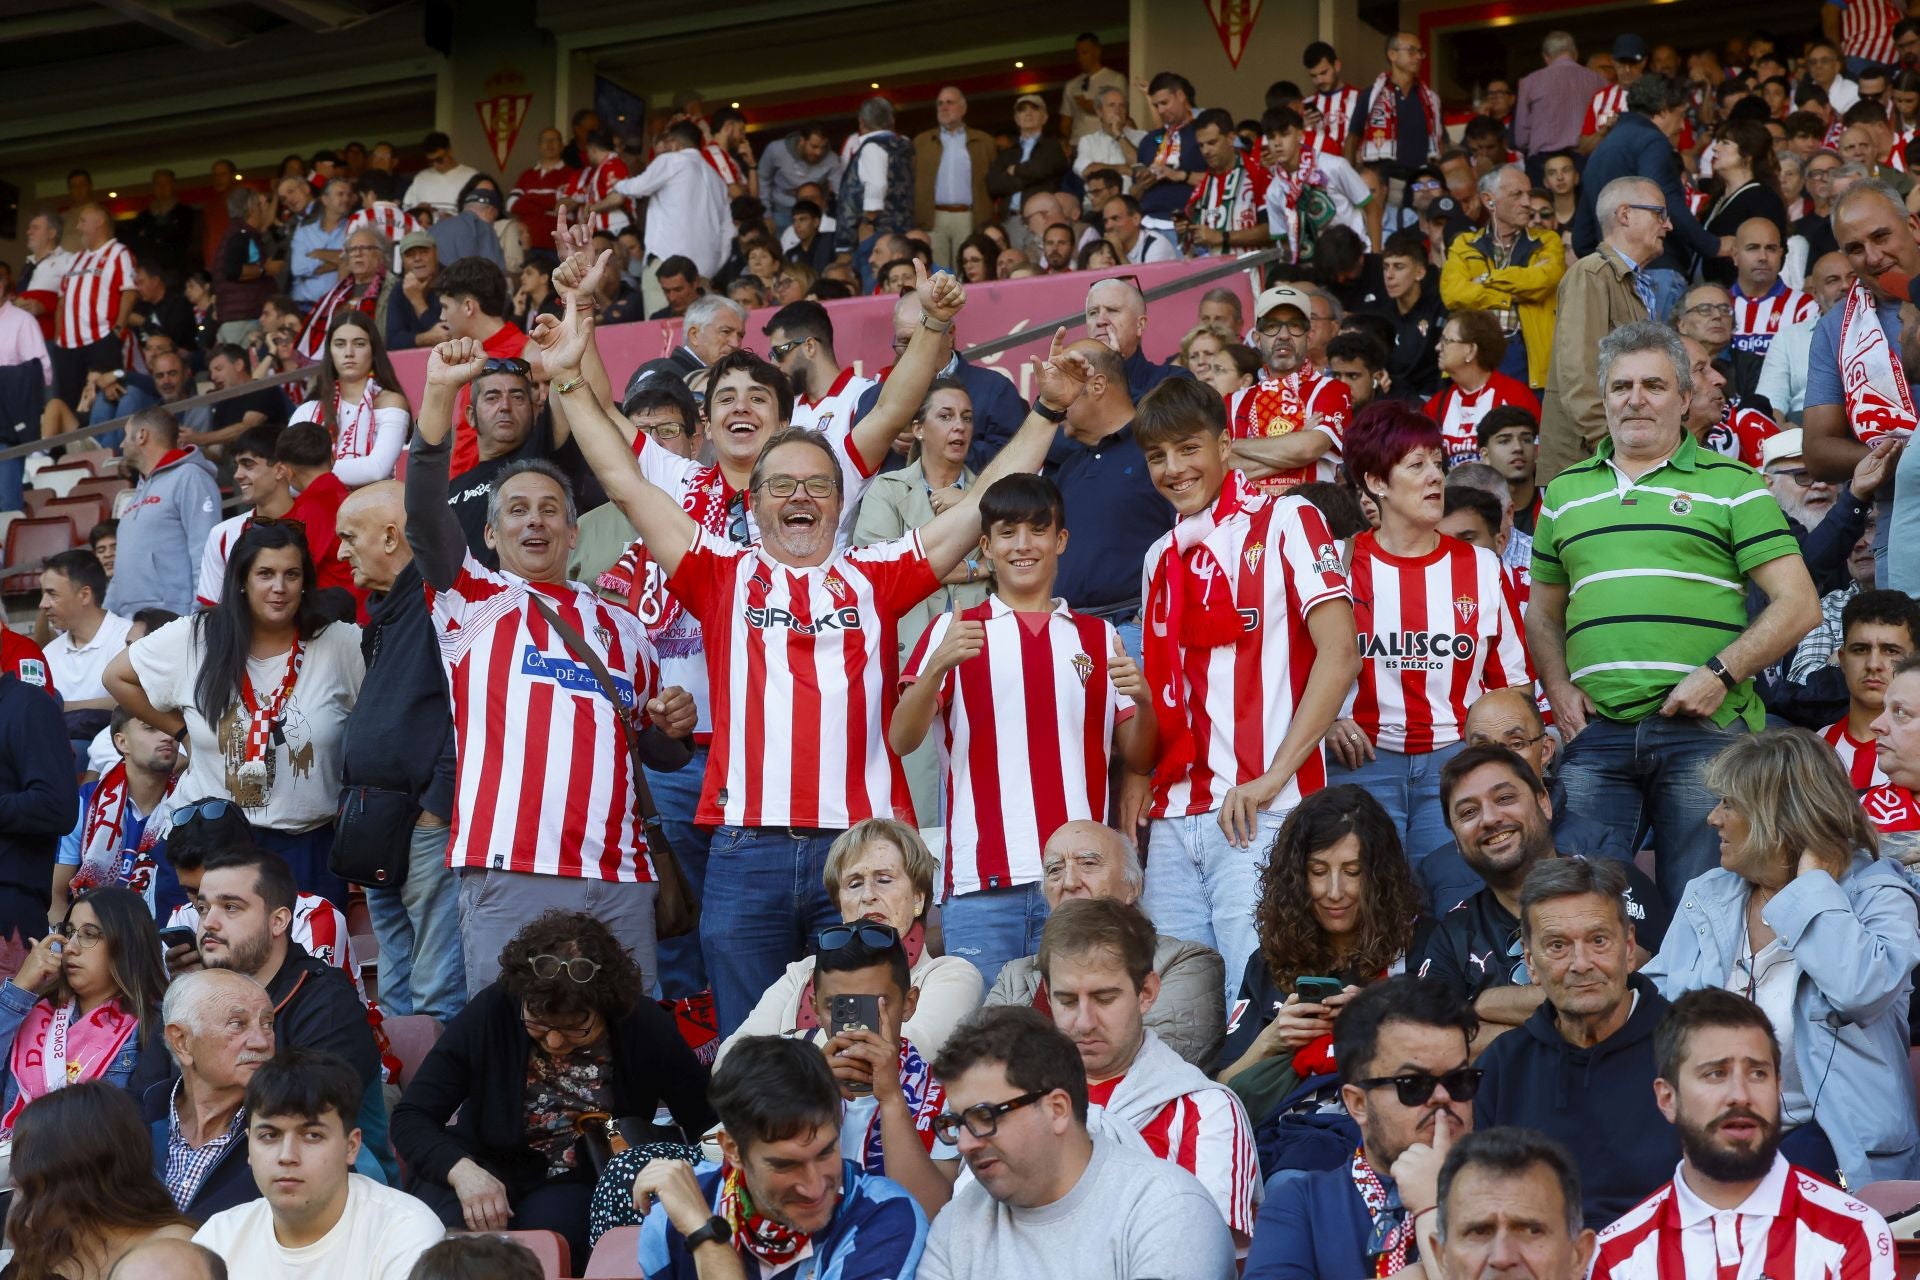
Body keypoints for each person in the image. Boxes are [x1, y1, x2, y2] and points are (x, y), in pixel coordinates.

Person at [546, 259, 1072, 1037]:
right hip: (747, 852)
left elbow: (987, 499)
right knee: (755, 1049)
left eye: (818, 485)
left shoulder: (877, 573)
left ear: (842, 501)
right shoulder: (720, 572)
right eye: (781, 486)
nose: (800, 496)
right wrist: (565, 382)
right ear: (752, 506)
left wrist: (1048, 411)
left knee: (862, 1043)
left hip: (857, 858)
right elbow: (625, 483)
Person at [1530, 322, 1819, 903]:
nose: (1635, 399)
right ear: (1603, 397)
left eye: (1654, 385)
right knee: (1581, 904)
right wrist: (1558, 688)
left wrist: (1719, 675)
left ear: (1685, 398)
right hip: (1598, 732)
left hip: (1703, 730)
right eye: (1620, 387)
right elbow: (1542, 614)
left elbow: (1800, 605)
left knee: (1704, 905)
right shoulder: (1563, 493)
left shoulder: (1735, 484)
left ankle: (1695, 1001)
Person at [1132, 376, 1360, 995]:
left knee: (1258, 1005)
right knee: (1178, 1015)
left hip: (1265, 809)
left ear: (1226, 445)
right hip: (1178, 817)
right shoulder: (1159, 556)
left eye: (1188, 448)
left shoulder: (1288, 517)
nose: (1174, 469)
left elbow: (1342, 653)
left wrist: (1273, 776)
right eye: (1157, 456)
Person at [889, 474, 1153, 982]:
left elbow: (1137, 755)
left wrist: (1142, 700)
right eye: (1007, 532)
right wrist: (938, 667)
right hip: (982, 885)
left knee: (1075, 1034)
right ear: (986, 546)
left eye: (1037, 530)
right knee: (985, 1046)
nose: (1023, 545)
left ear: (1061, 540)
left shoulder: (1101, 638)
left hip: (1081, 886)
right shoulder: (954, 626)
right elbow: (902, 738)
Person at [1642, 728, 1920, 1187]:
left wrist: (1812, 888)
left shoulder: (1877, 895)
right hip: (1712, 1124)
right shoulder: (1708, 894)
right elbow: (1657, 1009)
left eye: (1728, 803)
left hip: (1831, 1140)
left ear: (1777, 816)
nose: (1713, 819)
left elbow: (1859, 991)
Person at [392, 911, 713, 1266]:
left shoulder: (644, 1025)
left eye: (576, 1029)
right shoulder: (494, 1010)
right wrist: (461, 1170)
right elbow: (412, 1116)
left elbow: (705, 1122)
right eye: (539, 1026)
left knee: (547, 1243)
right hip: (483, 1158)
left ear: (606, 1009)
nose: (555, 1041)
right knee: (440, 1237)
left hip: (580, 1177)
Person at [105, 525, 363, 903]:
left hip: (306, 848)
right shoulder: (196, 636)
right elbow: (116, 676)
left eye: (292, 575)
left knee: (303, 962)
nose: (280, 587)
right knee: (198, 962)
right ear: (241, 580)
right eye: (265, 574)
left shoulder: (340, 643)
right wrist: (181, 733)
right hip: (207, 845)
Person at [1325, 403, 1530, 857]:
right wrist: (1329, 721)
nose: (1436, 476)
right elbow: (1296, 669)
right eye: (1417, 465)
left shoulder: (1481, 566)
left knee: (1450, 901)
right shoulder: (1334, 564)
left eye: (1438, 463)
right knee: (1371, 909)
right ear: (1377, 483)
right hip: (1361, 764)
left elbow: (1512, 684)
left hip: (1455, 764)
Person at [1589, 988, 1898, 1278]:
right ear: (1667, 1098)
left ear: (1778, 1088)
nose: (1740, 1094)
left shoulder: (1853, 1233)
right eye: (1715, 1074)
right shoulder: (1617, 1258)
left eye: (1757, 1073)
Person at [918, 1005, 1234, 1279]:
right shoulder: (957, 1223)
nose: (964, 1145)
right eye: (956, 1124)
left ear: (1057, 1110)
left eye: (984, 1117)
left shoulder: (1168, 1209)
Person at [1470, 856, 1679, 1227]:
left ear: (1629, 947)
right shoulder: (1503, 1065)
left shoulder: (1690, 1049)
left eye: (1598, 940)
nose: (1580, 963)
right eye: (1557, 946)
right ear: (1531, 964)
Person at [1418, 743, 1670, 1049]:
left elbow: (1603, 996)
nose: (1489, 818)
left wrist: (1479, 1003)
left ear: (1544, 803)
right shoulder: (1452, 933)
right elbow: (1435, 1041)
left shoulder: (1615, 884)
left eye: (1505, 798)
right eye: (1468, 812)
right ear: (1456, 842)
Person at [1037, 898, 1259, 1240]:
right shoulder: (1019, 1101)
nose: (1084, 1022)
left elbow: (1202, 1255)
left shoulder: (1204, 1111)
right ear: (1048, 997)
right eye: (1066, 1001)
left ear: (1147, 992)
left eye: (1105, 998)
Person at [632, 1035, 928, 1277]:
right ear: (732, 1149)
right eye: (786, 1165)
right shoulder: (674, 1217)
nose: (812, 1186)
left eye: (826, 1152)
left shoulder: (886, 1217)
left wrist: (706, 1236)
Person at [1243, 975, 1476, 1279]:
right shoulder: (1300, 1205)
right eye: (1414, 1084)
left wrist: (1434, 1210)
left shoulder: (1516, 1188)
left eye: (1459, 1080)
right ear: (1357, 1104)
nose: (1444, 1096)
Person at [333, 481, 463, 1022]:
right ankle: (403, 1093)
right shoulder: (389, 609)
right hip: (375, 820)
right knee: (395, 983)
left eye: (349, 537)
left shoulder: (441, 599)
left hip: (423, 821)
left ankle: (443, 1102)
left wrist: (438, 803)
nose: (340, 552)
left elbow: (466, 710)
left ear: (390, 536)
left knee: (433, 986)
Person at [1215, 786, 1421, 1119]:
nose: (1334, 892)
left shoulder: (1416, 944)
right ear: (1296, 877)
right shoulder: (1270, 960)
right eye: (1318, 872)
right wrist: (1271, 1040)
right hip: (1284, 1142)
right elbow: (1222, 1091)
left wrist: (1377, 1019)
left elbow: (1454, 1059)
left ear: (1379, 877)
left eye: (1352, 872)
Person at [185, 848, 391, 1170]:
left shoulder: (328, 1003)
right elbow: (155, 1097)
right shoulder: (195, 998)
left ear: (278, 921)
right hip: (216, 1169)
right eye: (202, 908)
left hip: (329, 1183)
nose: (208, 923)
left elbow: (306, 1118)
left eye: (230, 907)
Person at [714, 820, 983, 1064]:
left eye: (884, 880)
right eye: (854, 884)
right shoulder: (802, 972)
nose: (868, 895)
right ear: (840, 905)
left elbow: (907, 1056)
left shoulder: (952, 974)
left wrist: (786, 1043)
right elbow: (729, 1062)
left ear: (918, 898)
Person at [984, 820, 1224, 1068]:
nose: (1068, 882)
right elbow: (979, 1069)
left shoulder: (1184, 962)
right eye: (1054, 870)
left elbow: (1150, 1067)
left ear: (1132, 886)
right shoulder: (1016, 976)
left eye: (1088, 864)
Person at [194, 1050, 444, 1279]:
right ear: (249, 1146)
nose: (287, 1155)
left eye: (312, 1135)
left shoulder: (405, 1231)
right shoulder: (220, 1237)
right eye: (269, 1135)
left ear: (351, 1146)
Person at [1801, 181, 1919, 594]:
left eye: (1881, 236)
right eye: (1855, 248)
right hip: (1905, 525)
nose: (1872, 256)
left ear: (1914, 226)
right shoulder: (1837, 328)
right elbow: (1817, 451)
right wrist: (1909, 460)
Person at [0, 886, 171, 1132]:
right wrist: (20, 988)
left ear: (127, 943)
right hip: (14, 1160)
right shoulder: (34, 1009)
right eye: (68, 933)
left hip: (93, 1166)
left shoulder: (154, 1025)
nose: (70, 947)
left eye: (89, 934)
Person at [7, 1082, 198, 1280]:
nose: (15, 1180)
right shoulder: (53, 1235)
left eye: (29, 1164)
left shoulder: (171, 1257)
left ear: (80, 1172)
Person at [147, 969, 278, 1220]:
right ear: (182, 1041)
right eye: (237, 1024)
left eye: (268, 1024)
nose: (261, 1042)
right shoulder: (127, 1123)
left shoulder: (292, 1131)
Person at [1441, 166, 1565, 391]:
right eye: (1517, 194)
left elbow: (1542, 282)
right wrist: (1511, 295)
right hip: (1473, 351)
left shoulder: (1548, 240)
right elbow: (1453, 294)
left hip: (1526, 353)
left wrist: (1486, 278)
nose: (1528, 202)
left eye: (1528, 193)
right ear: (1489, 201)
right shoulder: (1464, 244)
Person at [55, 708, 184, 916]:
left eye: (172, 729)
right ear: (121, 742)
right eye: (150, 728)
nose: (167, 736)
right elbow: (56, 896)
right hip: (89, 935)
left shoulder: (188, 806)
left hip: (162, 941)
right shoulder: (85, 801)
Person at [1225, 284, 1352, 492]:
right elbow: (1221, 467)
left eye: (1294, 325)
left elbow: (1307, 448)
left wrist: (1236, 445)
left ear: (1307, 336)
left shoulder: (1332, 390)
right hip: (1248, 520)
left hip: (1312, 515)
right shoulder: (1233, 402)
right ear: (1257, 339)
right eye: (1272, 326)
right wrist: (1297, 438)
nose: (1284, 335)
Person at [100, 409, 221, 617]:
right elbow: (121, 570)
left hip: (174, 619)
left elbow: (205, 552)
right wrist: (106, 619)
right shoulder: (137, 494)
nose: (120, 445)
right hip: (132, 625)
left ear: (141, 435)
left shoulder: (190, 477)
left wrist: (200, 616)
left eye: (125, 435)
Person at [613, 121, 731, 317]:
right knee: (701, 334)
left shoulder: (671, 160)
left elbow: (637, 187)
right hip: (704, 273)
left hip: (666, 264)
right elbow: (728, 232)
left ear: (674, 143)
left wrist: (617, 185)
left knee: (661, 334)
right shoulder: (717, 179)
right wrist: (712, 268)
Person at [291, 310, 410, 487]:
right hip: (317, 509)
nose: (349, 353)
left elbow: (377, 469)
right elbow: (288, 478)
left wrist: (309, 473)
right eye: (339, 344)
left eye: (359, 344)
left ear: (373, 350)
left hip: (372, 508)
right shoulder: (308, 410)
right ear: (330, 352)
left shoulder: (389, 402)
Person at [1820, 591, 1920, 792]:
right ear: (1842, 659)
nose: (1873, 664)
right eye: (1860, 649)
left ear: (1915, 660)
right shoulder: (1816, 748)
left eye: (1891, 651)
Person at [39, 548, 131, 746]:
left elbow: (132, 703)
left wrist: (61, 707)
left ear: (84, 595)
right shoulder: (49, 652)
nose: (43, 604)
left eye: (51, 594)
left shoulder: (126, 638)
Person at [52, 204, 138, 410]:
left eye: (83, 221)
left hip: (101, 340)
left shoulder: (119, 252)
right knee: (69, 405)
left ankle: (106, 442)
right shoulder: (75, 259)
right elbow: (62, 301)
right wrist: (58, 337)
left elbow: (130, 292)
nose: (78, 227)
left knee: (104, 401)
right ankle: (74, 444)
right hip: (67, 347)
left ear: (99, 222)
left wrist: (116, 331)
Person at [1756, 249, 1853, 421]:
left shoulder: (1883, 326)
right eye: (1833, 281)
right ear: (1815, 294)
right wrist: (1779, 436)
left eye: (1852, 277)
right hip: (1802, 426)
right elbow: (1771, 401)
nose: (1846, 286)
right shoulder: (1788, 338)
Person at [763, 300, 875, 436]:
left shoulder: (864, 395)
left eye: (779, 352)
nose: (774, 364)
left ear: (809, 347)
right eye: (771, 355)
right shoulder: (787, 411)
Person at [1346, 33, 1444, 183]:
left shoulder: (1429, 99)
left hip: (1420, 183)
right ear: (1392, 54)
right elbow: (1352, 140)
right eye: (1412, 51)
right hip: (1382, 181)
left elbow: (1441, 141)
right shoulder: (1372, 95)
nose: (1418, 57)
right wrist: (1351, 180)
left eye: (1420, 52)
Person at [1728, 216, 1816, 357]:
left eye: (1771, 249)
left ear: (1781, 255)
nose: (1763, 257)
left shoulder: (1804, 308)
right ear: (1735, 255)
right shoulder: (1718, 306)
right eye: (1753, 248)